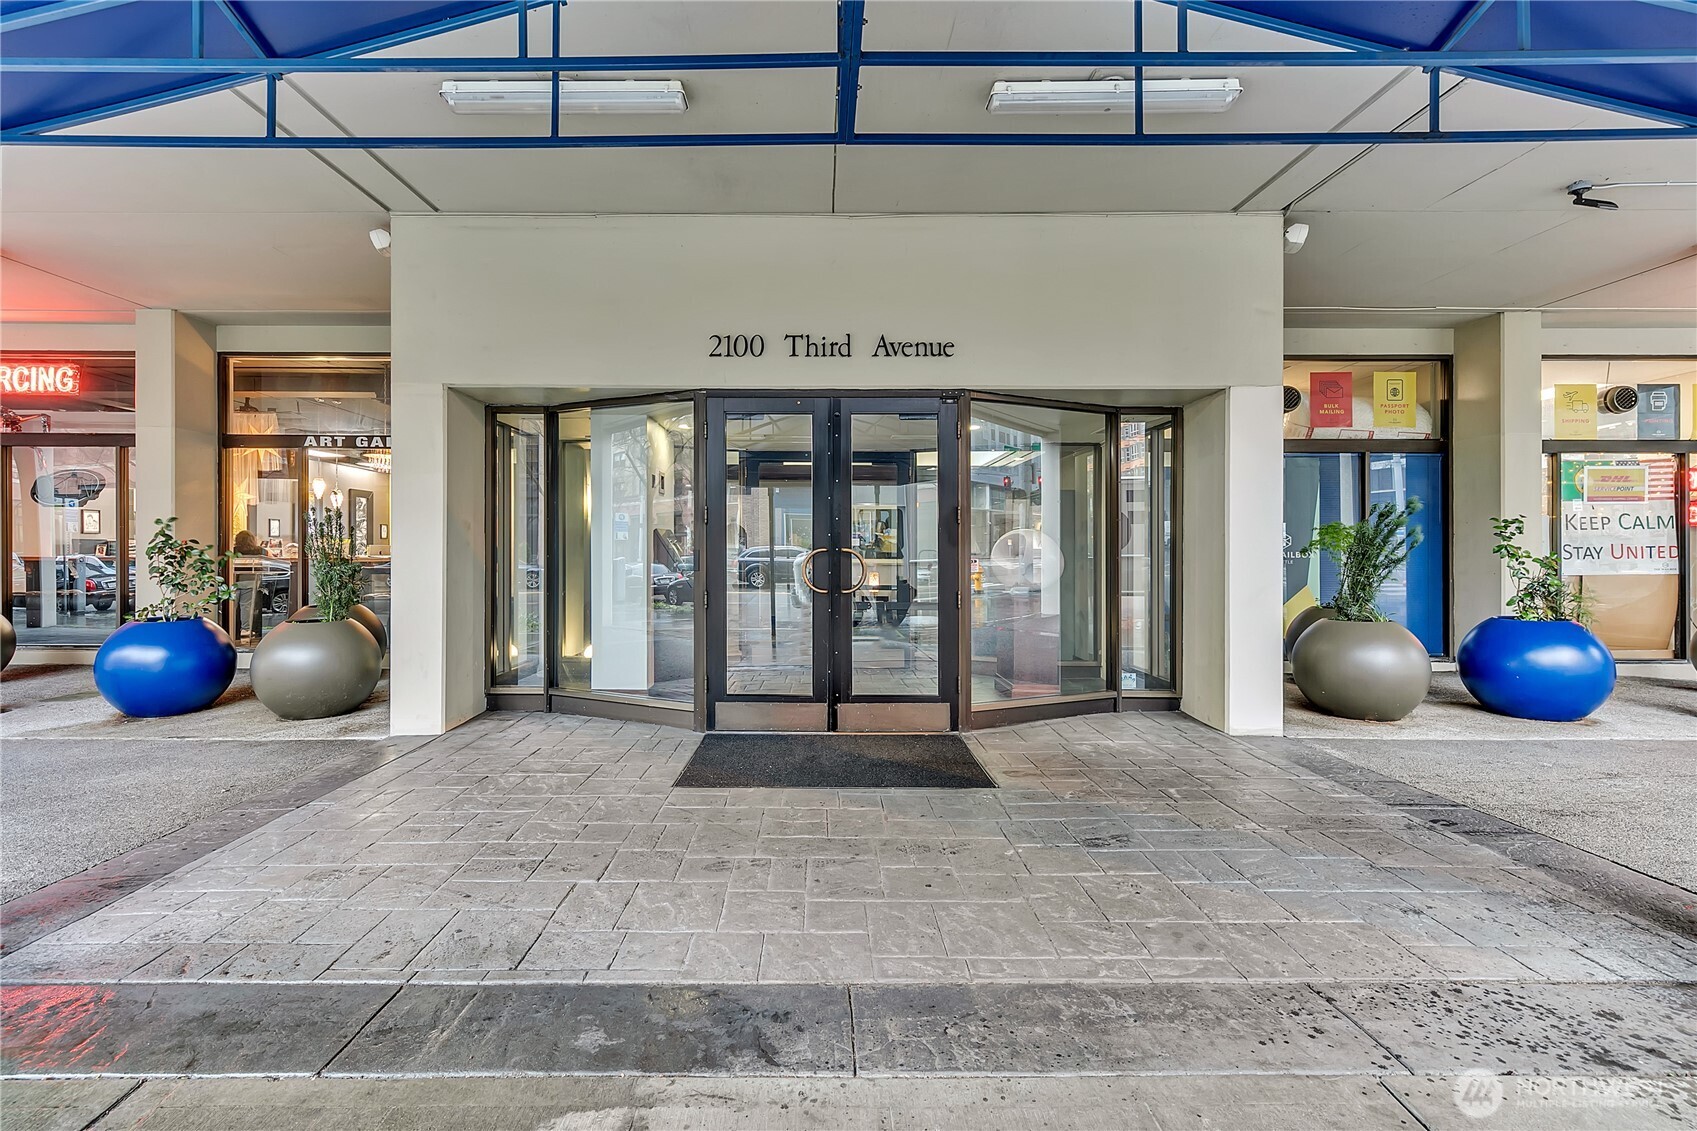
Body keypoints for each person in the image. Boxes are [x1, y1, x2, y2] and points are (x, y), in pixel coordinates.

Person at [231, 530, 265, 641]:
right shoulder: (259, 550)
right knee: (246, 607)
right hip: (251, 581)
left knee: (232, 607)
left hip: (234, 581)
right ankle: (245, 630)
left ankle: (230, 629)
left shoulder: (233, 550)